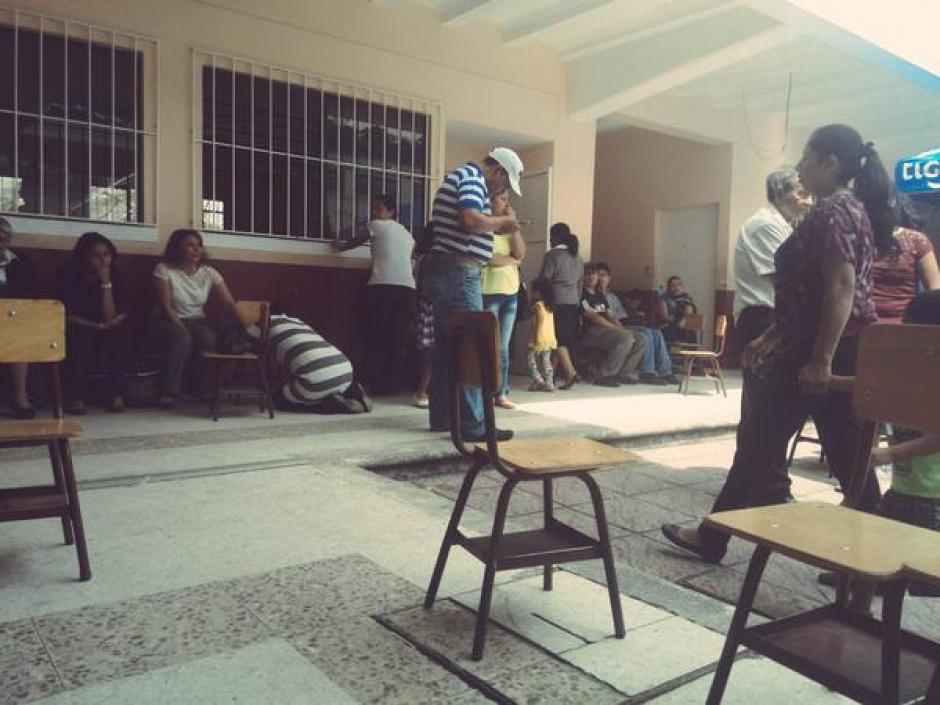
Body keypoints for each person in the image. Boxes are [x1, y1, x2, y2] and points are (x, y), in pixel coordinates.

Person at [662, 123, 888, 563]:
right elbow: (810, 293)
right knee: (828, 449)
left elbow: (841, 287)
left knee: (770, 441)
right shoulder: (844, 209)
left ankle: (714, 536)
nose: (800, 167)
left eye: (807, 157)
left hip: (822, 348)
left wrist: (821, 360)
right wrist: (774, 335)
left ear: (831, 163)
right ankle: (874, 557)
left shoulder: (834, 212)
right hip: (821, 344)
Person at [847, 290, 940, 611]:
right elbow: (866, 385)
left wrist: (891, 454)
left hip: (933, 499)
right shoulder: (910, 375)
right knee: (873, 558)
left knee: (925, 579)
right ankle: (858, 614)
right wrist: (829, 379)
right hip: (901, 491)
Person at [422, 148, 522, 442]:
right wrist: (501, 223)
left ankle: (442, 417)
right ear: (499, 171)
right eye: (505, 184)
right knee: (472, 347)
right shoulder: (472, 178)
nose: (501, 191)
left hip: (447, 270)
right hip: (459, 271)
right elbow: (469, 220)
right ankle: (473, 424)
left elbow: (469, 223)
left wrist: (495, 222)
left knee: (447, 348)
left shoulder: (460, 176)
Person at [333, 194, 416, 395]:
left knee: (378, 335)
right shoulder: (407, 234)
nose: (374, 212)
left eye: (379, 208)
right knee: (397, 338)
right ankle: (393, 385)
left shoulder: (378, 225)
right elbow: (412, 256)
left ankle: (378, 383)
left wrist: (341, 246)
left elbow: (358, 240)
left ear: (391, 212)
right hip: (407, 289)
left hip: (383, 286)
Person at [149, 229, 238, 408]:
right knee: (182, 338)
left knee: (208, 339)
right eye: (190, 245)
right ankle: (168, 392)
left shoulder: (209, 272)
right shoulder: (164, 269)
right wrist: (181, 327)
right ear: (177, 248)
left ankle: (202, 389)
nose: (197, 250)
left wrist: (244, 319)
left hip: (197, 320)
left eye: (199, 246)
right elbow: (165, 306)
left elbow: (229, 303)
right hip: (167, 319)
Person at [733, 168, 811, 350]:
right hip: (763, 318)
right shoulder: (764, 224)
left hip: (778, 317)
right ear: (778, 194)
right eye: (801, 194)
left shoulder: (785, 226)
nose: (809, 202)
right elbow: (790, 276)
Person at [56, 232, 130, 414]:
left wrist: (106, 284)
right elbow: (66, 314)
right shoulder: (69, 276)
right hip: (79, 325)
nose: (103, 260)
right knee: (78, 337)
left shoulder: (117, 277)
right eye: (96, 256)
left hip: (108, 326)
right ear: (84, 258)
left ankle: (117, 394)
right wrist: (97, 326)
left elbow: (112, 316)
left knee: (118, 336)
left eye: (106, 254)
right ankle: (76, 397)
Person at [257, 306, 372, 414]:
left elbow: (248, 342)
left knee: (277, 400)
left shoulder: (264, 322)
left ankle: (328, 404)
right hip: (346, 370)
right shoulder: (299, 322)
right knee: (325, 381)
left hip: (316, 378)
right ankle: (351, 391)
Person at [595, 262, 676, 385]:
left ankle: (666, 372)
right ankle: (647, 372)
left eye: (603, 275)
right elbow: (608, 317)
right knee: (646, 333)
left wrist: (632, 311)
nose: (601, 278)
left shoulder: (612, 296)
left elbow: (622, 314)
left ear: (609, 278)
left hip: (625, 322)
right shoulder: (596, 296)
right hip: (614, 326)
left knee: (656, 332)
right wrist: (622, 329)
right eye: (598, 275)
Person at [482, 190, 525, 409]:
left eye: (508, 199)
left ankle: (501, 393)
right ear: (490, 201)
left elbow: (521, 254)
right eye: (503, 199)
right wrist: (511, 261)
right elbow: (488, 258)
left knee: (504, 347)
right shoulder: (484, 227)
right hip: (488, 292)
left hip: (510, 293)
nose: (507, 203)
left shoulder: (509, 231)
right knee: (490, 344)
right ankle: (485, 391)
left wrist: (514, 225)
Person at [870, 197, 940, 323]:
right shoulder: (917, 240)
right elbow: (935, 291)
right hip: (906, 327)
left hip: (865, 327)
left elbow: (935, 292)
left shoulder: (855, 239)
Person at [578, 263, 646, 387]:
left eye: (594, 274)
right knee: (625, 338)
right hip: (591, 332)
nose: (591, 277)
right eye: (588, 274)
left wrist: (622, 328)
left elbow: (611, 316)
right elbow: (594, 317)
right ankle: (604, 375)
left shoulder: (600, 295)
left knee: (641, 338)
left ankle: (624, 373)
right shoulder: (581, 295)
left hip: (607, 330)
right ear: (583, 277)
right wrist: (619, 330)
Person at [0, 217, 39, 418]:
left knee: (19, 335)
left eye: (3, 239)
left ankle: (20, 398)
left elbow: (29, 295)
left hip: (13, 318)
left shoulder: (20, 262)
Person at [539, 223, 583, 389]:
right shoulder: (578, 257)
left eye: (551, 236)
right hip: (573, 302)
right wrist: (576, 300)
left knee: (557, 339)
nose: (550, 240)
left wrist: (544, 301)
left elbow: (545, 279)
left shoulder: (553, 255)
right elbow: (580, 284)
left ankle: (571, 373)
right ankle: (550, 377)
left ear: (556, 237)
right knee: (562, 338)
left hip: (556, 301)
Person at [526, 278, 557, 392]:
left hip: (539, 337)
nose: (532, 293)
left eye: (534, 290)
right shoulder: (549, 306)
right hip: (549, 338)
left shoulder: (538, 306)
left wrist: (535, 338)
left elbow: (538, 323)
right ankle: (549, 382)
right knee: (546, 361)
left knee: (530, 359)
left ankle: (538, 379)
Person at [657, 276, 698, 345]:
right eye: (673, 285)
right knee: (671, 330)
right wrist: (676, 322)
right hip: (669, 325)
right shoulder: (664, 298)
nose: (676, 287)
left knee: (688, 331)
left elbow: (689, 311)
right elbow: (664, 316)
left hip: (684, 325)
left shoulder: (686, 297)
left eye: (679, 284)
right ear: (668, 288)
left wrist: (683, 320)